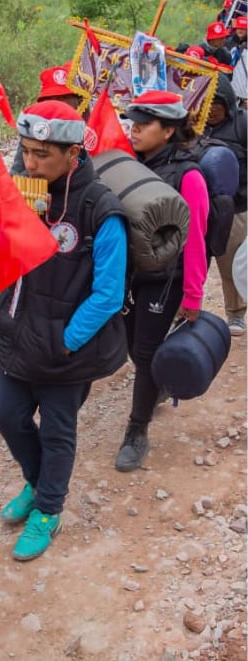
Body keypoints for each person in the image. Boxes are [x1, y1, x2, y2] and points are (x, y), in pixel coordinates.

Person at [0, 101, 128, 561]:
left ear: (73, 153)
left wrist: (65, 341)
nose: (30, 163)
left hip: (66, 348)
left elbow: (108, 293)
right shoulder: (23, 192)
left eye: (42, 154)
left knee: (57, 431)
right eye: (26, 151)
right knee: (6, 412)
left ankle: (49, 509)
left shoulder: (100, 208)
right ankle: (37, 481)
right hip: (17, 336)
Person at [114, 91, 209, 472]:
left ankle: (137, 431)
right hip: (130, 276)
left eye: (144, 123)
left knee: (147, 352)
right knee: (133, 349)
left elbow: (197, 239)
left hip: (167, 279)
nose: (133, 129)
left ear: (169, 130)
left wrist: (194, 294)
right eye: (132, 122)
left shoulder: (189, 175)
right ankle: (155, 384)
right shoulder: (128, 164)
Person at [203, 75, 247, 336]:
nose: (210, 111)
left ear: (227, 103)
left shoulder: (243, 124)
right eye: (205, 105)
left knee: (231, 262)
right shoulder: (195, 126)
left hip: (237, 207)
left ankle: (236, 312)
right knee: (192, 262)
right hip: (200, 207)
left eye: (215, 105)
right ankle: (183, 312)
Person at [10, 62, 79, 175]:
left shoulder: (92, 129)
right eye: (50, 99)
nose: (57, 104)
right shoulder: (33, 133)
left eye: (64, 98)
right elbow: (15, 174)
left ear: (78, 101)